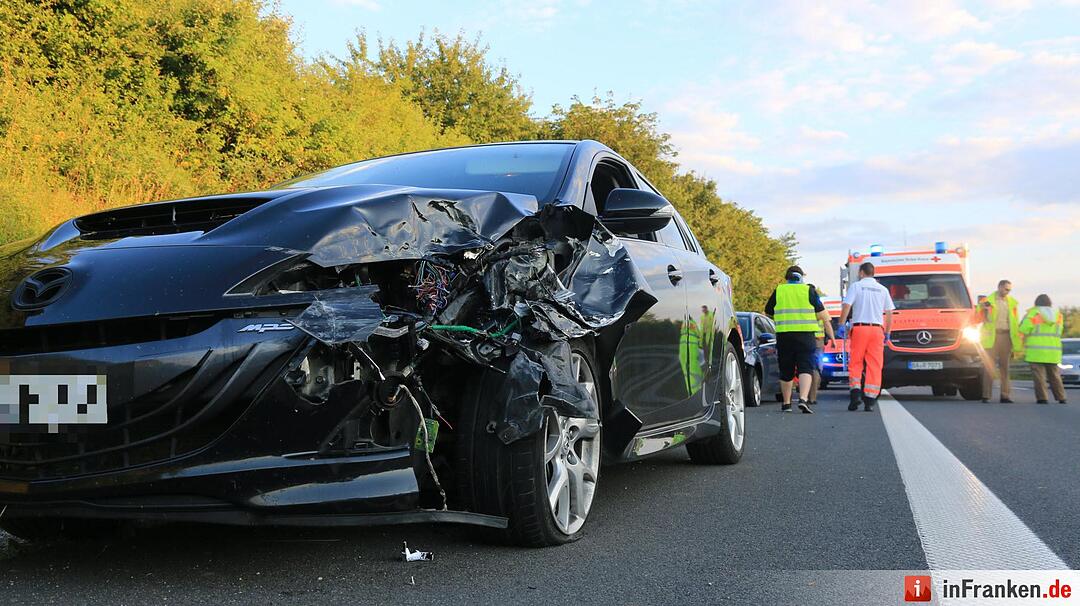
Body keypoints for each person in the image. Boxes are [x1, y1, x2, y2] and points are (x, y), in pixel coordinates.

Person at [765, 266, 835, 413]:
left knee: (786, 369)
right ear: (801, 277)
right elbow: (823, 315)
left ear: (787, 277)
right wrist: (832, 337)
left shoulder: (779, 290)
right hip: (806, 336)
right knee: (806, 367)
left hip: (784, 335)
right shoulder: (808, 290)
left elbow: (768, 311)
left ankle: (786, 403)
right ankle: (803, 399)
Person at [838, 262, 895, 412]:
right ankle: (870, 400)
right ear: (873, 273)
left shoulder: (856, 286)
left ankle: (855, 393)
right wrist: (887, 332)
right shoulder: (883, 289)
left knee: (856, 362)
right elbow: (889, 313)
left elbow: (847, 306)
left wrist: (841, 324)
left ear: (861, 273)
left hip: (859, 329)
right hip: (877, 330)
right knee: (874, 365)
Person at [1018, 294, 1067, 404]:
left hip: (1036, 351)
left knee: (1039, 377)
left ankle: (1042, 398)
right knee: (1055, 376)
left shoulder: (1034, 313)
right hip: (1053, 351)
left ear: (1036, 303)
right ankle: (1061, 397)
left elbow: (1024, 329)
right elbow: (1060, 331)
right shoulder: (1058, 315)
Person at [980, 280, 1022, 403]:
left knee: (1005, 367)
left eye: (1009, 290)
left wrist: (1015, 340)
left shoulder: (1012, 303)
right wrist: (983, 308)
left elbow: (1015, 322)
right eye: (1006, 289)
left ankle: (1005, 395)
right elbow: (977, 316)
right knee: (989, 367)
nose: (1008, 292)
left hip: (1006, 336)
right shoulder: (987, 301)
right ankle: (986, 395)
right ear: (999, 287)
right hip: (991, 337)